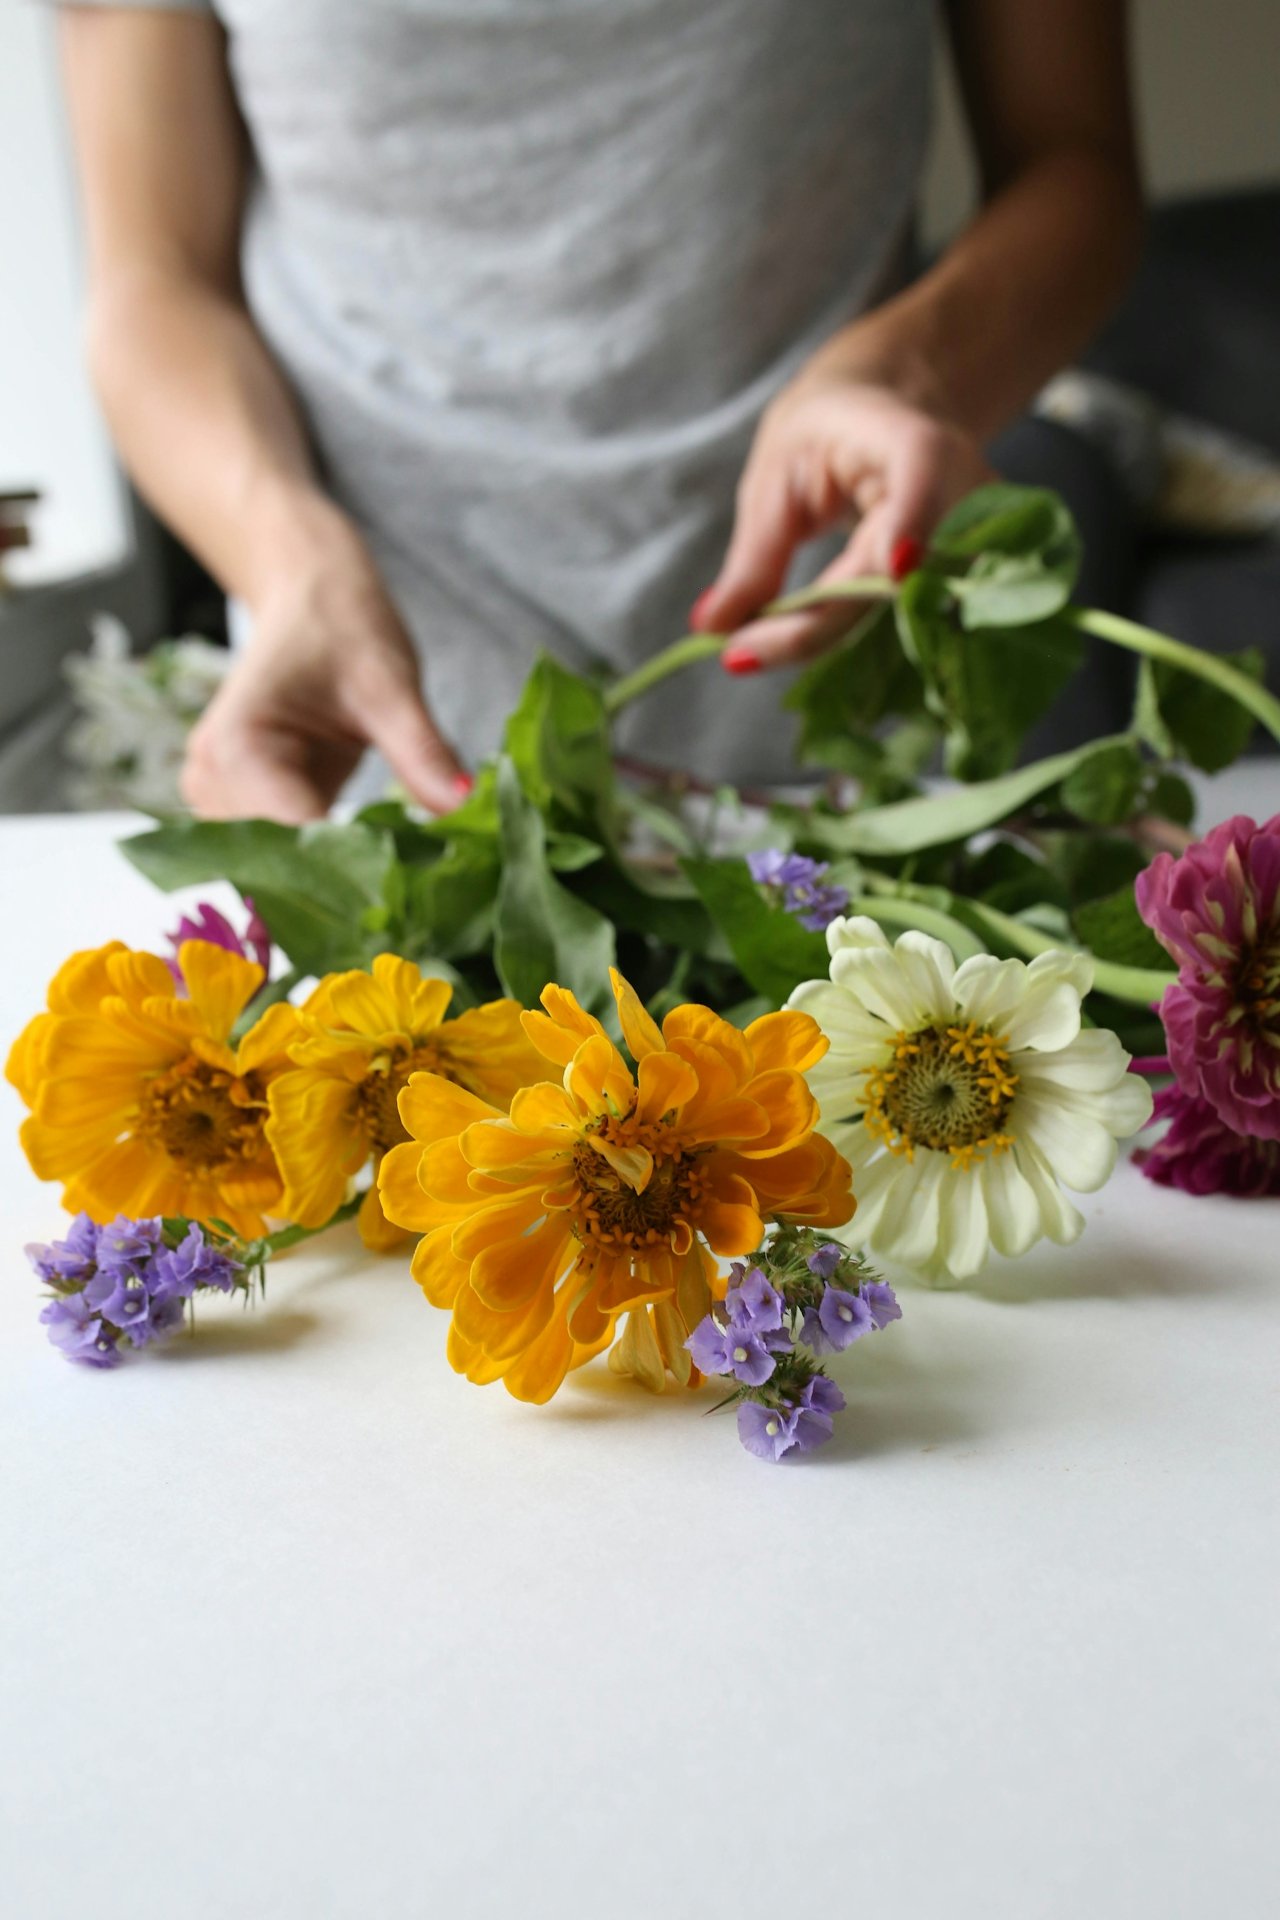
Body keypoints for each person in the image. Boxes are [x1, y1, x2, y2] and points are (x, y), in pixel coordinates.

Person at [50, 0, 1141, 818]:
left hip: (863, 759)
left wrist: (907, 374)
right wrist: (283, 563)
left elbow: (1072, 160)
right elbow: (153, 280)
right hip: (382, 782)